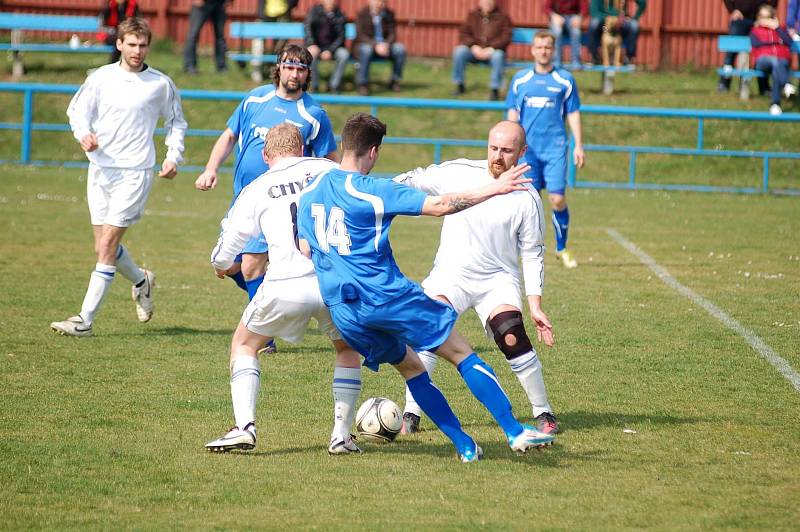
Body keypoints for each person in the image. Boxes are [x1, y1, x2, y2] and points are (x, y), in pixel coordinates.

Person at [297, 113, 555, 462]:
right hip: (387, 297)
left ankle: (465, 445)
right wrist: (495, 187)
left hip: (345, 313)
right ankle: (514, 430)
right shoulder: (373, 190)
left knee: (414, 368)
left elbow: (305, 247)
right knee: (462, 354)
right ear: (373, 152)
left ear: (344, 145)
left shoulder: (311, 190)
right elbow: (438, 206)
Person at [205, 124, 364, 455]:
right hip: (334, 284)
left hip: (285, 283)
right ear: (304, 150)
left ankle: (245, 427)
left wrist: (221, 265)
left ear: (266, 155)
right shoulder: (330, 169)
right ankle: (341, 436)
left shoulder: (258, 187)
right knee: (347, 349)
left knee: (244, 344)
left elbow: (229, 243)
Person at [394, 121, 560, 436]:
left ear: (522, 153)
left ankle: (543, 412)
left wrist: (535, 305)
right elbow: (415, 179)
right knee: (428, 332)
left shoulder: (527, 198)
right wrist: (379, 190)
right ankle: (411, 414)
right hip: (450, 276)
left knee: (511, 334)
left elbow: (533, 253)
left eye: (507, 150)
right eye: (493, 148)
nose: (498, 156)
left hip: (497, 281)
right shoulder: (459, 171)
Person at [196, 45, 337, 354]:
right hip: (244, 199)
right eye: (289, 67)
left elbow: (331, 159)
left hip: (280, 202)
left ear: (307, 74)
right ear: (278, 68)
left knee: (248, 268)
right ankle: (273, 298)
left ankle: (266, 336)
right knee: (225, 266)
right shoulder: (254, 99)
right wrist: (210, 168)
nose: (294, 73)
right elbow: (230, 135)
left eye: (300, 69)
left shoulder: (313, 114)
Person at [52, 17, 187, 337]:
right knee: (103, 246)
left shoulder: (160, 83)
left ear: (147, 47)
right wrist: (83, 135)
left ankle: (84, 320)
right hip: (100, 169)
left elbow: (176, 123)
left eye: (143, 45)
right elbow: (77, 112)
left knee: (108, 243)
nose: (137, 51)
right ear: (119, 44)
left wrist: (172, 157)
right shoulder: (101, 78)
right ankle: (142, 281)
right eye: (132, 44)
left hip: (135, 171)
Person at [507, 31, 585, 269]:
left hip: (555, 149)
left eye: (548, 47)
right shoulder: (520, 80)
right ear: (532, 50)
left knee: (557, 199)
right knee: (529, 203)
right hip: (527, 152)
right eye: (539, 47)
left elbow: (572, 112)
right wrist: (510, 146)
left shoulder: (565, 80)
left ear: (554, 50)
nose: (543, 51)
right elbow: (512, 113)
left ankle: (561, 249)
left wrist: (579, 145)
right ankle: (524, 250)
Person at [451, 0, 512, 101]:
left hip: (493, 52)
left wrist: (491, 48)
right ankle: (459, 84)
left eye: (490, 2)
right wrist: (473, 46)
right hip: (474, 51)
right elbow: (463, 33)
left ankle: (494, 89)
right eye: (485, 1)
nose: (487, 3)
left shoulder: (503, 17)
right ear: (480, 2)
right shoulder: (472, 16)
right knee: (459, 51)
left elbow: (506, 37)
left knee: (498, 56)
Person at [718, 0, 779, 93]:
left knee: (764, 51)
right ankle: (724, 84)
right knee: (731, 52)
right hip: (740, 18)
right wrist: (733, 10)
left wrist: (770, 11)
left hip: (761, 18)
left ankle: (764, 87)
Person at [751, 4, 797, 115]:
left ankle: (775, 105)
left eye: (767, 17)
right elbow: (756, 44)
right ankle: (786, 84)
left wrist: (777, 28)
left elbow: (789, 42)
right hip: (762, 61)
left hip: (780, 62)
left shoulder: (779, 29)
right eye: (762, 16)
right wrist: (776, 43)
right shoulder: (755, 30)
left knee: (777, 68)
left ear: (773, 17)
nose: (764, 20)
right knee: (776, 62)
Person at [353, 0, 406, 95]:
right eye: (377, 1)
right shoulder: (362, 14)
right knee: (366, 50)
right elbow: (361, 35)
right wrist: (376, 45)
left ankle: (395, 81)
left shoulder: (389, 14)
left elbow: (392, 34)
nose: (379, 3)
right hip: (367, 45)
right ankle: (363, 84)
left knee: (400, 49)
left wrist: (386, 44)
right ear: (369, 2)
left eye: (382, 1)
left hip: (384, 46)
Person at [304, 0, 351, 93]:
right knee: (311, 53)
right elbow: (308, 29)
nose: (331, 2)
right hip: (316, 46)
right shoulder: (313, 12)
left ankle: (334, 85)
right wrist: (312, 44)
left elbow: (341, 37)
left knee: (344, 54)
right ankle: (314, 85)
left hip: (333, 48)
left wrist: (330, 50)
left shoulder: (340, 15)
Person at [587, 0, 646, 65]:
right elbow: (593, 12)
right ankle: (594, 57)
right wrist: (608, 18)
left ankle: (628, 58)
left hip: (621, 24)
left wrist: (635, 18)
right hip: (605, 27)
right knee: (594, 23)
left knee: (634, 25)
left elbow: (642, 2)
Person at [183, 0, 230, 74]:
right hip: (202, 3)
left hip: (219, 3)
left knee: (220, 37)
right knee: (193, 35)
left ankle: (221, 67)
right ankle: (190, 66)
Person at [546, 0, 588, 69]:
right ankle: (556, 61)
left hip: (573, 17)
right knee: (557, 31)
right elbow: (546, 7)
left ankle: (576, 61)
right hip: (557, 16)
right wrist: (553, 16)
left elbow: (585, 8)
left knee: (576, 32)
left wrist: (579, 17)